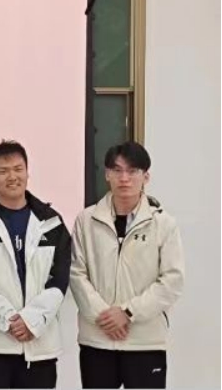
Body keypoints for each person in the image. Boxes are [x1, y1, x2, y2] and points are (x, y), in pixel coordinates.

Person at [0, 141, 72, 389]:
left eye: (18, 169)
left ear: (28, 171)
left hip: (38, 347)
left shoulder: (51, 222)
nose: (12, 177)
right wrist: (8, 320)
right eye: (3, 171)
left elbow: (59, 278)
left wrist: (31, 320)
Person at [70, 141, 184, 389]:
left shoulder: (163, 223)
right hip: (97, 341)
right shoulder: (86, 220)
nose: (124, 178)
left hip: (145, 341)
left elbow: (172, 281)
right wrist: (105, 317)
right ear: (107, 174)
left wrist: (128, 313)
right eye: (117, 170)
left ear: (146, 177)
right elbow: (77, 274)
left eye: (132, 171)